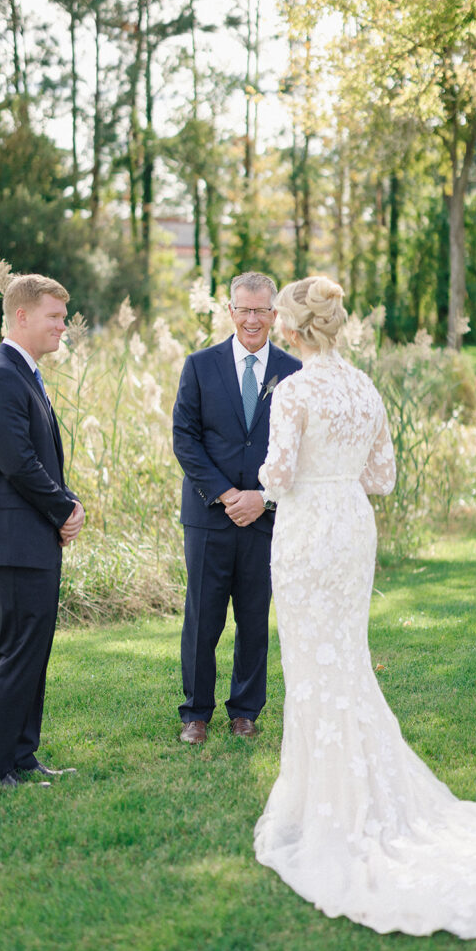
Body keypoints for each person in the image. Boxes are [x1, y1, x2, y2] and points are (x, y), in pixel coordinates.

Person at [253, 274, 476, 938]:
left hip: (307, 530)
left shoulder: (294, 390)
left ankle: (325, 810)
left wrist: (285, 479)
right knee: (345, 661)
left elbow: (273, 477)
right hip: (351, 525)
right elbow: (380, 477)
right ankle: (349, 798)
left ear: (296, 328)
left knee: (313, 666)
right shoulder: (362, 387)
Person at [0, 274, 85, 787]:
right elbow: (18, 463)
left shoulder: (22, 373)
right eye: (54, 317)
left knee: (34, 649)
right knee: (19, 653)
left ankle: (21, 756)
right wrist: (65, 509)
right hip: (11, 542)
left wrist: (63, 504)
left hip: (29, 537)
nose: (62, 327)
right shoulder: (0, 378)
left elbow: (36, 457)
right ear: (22, 317)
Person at [172, 272, 301, 744]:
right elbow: (184, 440)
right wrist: (228, 495)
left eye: (260, 310)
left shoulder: (293, 371)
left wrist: (260, 497)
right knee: (203, 617)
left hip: (267, 515)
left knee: (253, 616)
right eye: (243, 309)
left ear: (273, 315)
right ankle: (195, 714)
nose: (252, 319)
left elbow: (298, 447)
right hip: (209, 514)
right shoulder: (200, 366)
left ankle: (245, 710)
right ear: (229, 311)